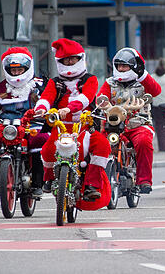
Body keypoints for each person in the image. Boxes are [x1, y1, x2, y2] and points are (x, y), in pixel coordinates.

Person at [35, 38, 110, 206]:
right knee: (47, 148)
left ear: (80, 59)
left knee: (102, 145)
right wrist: (40, 108)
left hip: (84, 125)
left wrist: (69, 109)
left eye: (72, 59)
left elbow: (86, 98)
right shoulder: (55, 82)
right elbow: (46, 97)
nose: (69, 62)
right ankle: (49, 178)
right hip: (61, 126)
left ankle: (92, 185)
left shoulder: (90, 79)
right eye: (65, 60)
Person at [0, 47, 45, 194]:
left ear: (27, 68)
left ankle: (38, 183)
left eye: (19, 70)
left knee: (39, 140)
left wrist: (45, 113)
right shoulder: (1, 87)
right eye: (13, 70)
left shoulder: (39, 85)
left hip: (33, 123)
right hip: (7, 125)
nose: (16, 73)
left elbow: (48, 101)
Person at [98, 47, 162, 194]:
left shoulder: (143, 82)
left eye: (124, 66)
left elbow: (156, 91)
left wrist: (142, 75)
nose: (121, 69)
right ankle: (95, 183)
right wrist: (102, 104)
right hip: (113, 125)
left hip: (139, 124)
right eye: (119, 65)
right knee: (98, 145)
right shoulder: (109, 83)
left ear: (134, 66)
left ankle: (144, 180)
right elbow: (101, 98)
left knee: (144, 142)